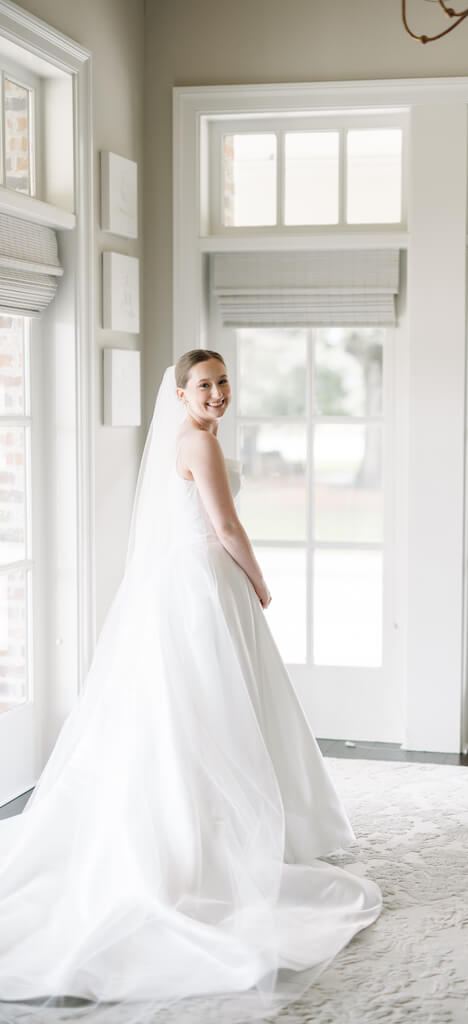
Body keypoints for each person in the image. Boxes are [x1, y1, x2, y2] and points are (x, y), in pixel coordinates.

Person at [0, 350, 381, 1019]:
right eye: (204, 386)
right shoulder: (196, 443)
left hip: (187, 582)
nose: (217, 394)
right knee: (213, 708)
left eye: (223, 382)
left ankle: (217, 823)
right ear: (180, 394)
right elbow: (226, 526)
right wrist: (260, 582)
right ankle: (209, 839)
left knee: (198, 709)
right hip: (205, 581)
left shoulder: (191, 440)